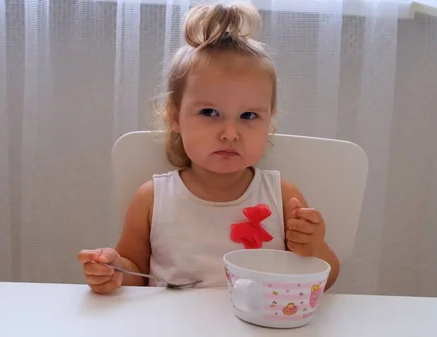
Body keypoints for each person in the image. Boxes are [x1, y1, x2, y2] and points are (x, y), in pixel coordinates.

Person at [78, 2, 340, 294]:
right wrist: (113, 270)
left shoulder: (283, 197)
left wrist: (314, 247)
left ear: (270, 121)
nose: (230, 134)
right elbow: (135, 274)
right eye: (210, 113)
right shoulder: (152, 199)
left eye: (248, 116)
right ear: (175, 116)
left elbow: (323, 281)